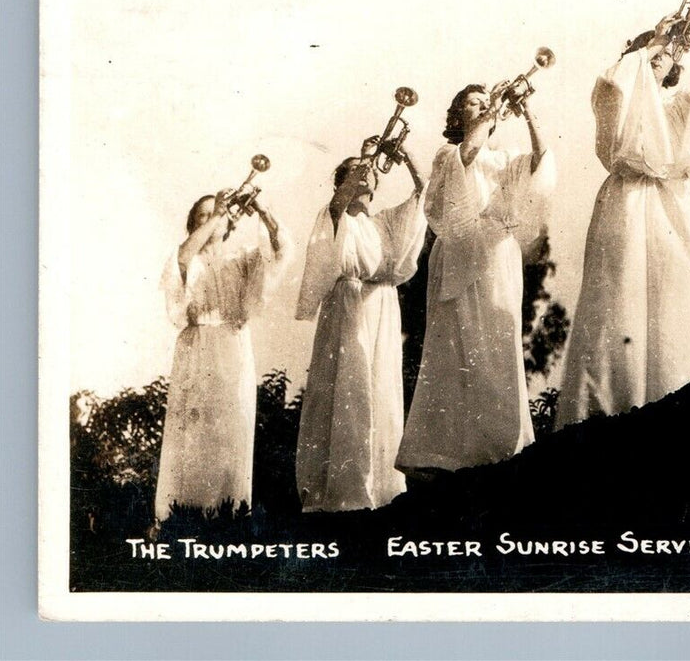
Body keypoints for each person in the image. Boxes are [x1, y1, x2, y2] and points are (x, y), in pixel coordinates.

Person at [557, 18, 690, 426]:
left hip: (676, 211)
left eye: (669, 54)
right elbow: (613, 85)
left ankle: (670, 408)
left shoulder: (677, 108)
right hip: (627, 203)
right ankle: (608, 410)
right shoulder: (617, 90)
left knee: (674, 309)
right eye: (653, 52)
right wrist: (653, 42)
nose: (661, 57)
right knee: (618, 304)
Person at [395, 85, 555, 472]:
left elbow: (540, 162)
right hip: (458, 251)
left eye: (486, 101)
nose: (483, 105)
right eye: (473, 101)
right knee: (454, 345)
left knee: (497, 343)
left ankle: (499, 446)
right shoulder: (447, 153)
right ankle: (446, 453)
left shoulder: (505, 157)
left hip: (498, 253)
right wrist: (490, 115)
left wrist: (527, 109)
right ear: (457, 114)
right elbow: (466, 156)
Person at [294, 150, 426, 512]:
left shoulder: (384, 222)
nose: (364, 175)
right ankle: (341, 492)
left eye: (367, 173)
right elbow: (338, 206)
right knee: (348, 390)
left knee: (380, 389)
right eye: (352, 173)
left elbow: (424, 193)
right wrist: (366, 157)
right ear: (342, 183)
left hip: (383, 306)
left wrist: (406, 157)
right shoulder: (335, 216)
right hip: (348, 304)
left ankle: (381, 489)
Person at [154, 191, 287, 522]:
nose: (211, 218)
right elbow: (183, 257)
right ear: (194, 224)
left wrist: (262, 210)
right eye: (203, 215)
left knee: (232, 428)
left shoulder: (240, 259)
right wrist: (219, 213)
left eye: (216, 213)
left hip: (233, 347)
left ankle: (227, 514)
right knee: (194, 432)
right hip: (198, 347)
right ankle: (185, 513)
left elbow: (279, 252)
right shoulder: (189, 259)